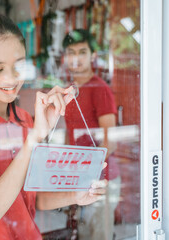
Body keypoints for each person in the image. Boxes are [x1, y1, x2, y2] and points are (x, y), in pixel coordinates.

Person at [0, 14, 108, 240]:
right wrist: (33, 139)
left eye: (19, 66)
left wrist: (77, 195)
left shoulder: (24, 120)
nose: (11, 78)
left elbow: (30, 197)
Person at [62, 29, 121, 240]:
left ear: (93, 55)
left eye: (82, 51)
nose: (76, 57)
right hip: (80, 179)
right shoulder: (69, 91)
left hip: (102, 178)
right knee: (83, 234)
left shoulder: (100, 88)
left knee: (99, 236)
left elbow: (110, 141)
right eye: (71, 52)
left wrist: (86, 171)